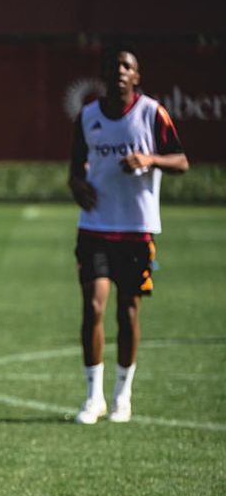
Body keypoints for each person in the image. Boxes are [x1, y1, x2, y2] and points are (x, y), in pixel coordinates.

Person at [68, 46, 188, 424]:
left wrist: (150, 159)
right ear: (103, 74)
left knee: (128, 310)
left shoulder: (152, 113)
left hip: (137, 229)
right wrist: (76, 185)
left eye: (127, 66)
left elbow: (182, 161)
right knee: (94, 307)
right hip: (95, 226)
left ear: (137, 76)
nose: (119, 71)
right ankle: (93, 398)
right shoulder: (88, 116)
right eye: (113, 66)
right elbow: (75, 168)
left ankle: (123, 395)